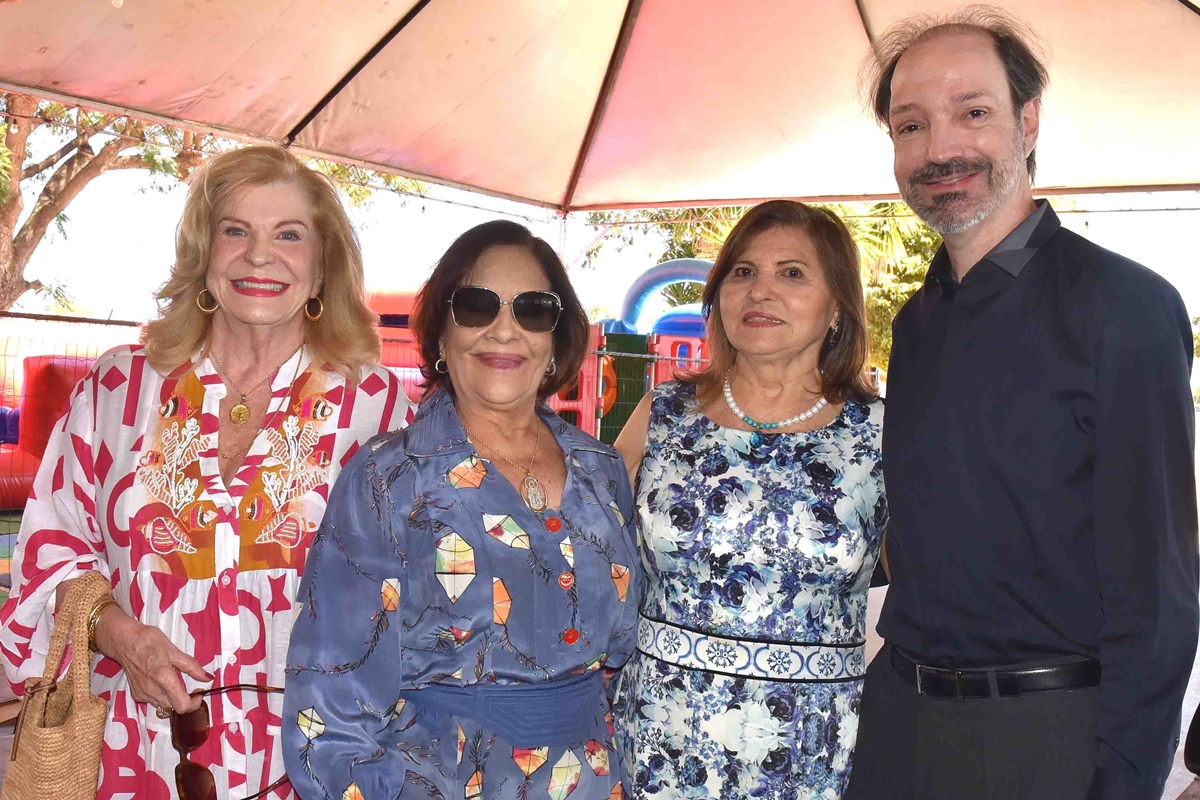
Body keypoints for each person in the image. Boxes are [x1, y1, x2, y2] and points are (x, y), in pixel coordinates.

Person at [844, 9, 1198, 800]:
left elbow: (1160, 589)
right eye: (911, 125)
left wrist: (1126, 781)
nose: (940, 149)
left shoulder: (1124, 308)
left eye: (973, 113)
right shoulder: (917, 320)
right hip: (898, 726)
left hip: (1047, 740)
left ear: (1028, 119)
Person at [0, 145, 413, 799]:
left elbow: (423, 597)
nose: (258, 255)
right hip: (131, 756)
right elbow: (49, 554)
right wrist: (121, 635)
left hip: (315, 767)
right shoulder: (116, 390)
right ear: (203, 254)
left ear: (322, 266)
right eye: (236, 231)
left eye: (288, 234)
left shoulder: (380, 409)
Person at [282, 220, 641, 800]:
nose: (505, 329)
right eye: (476, 307)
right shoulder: (389, 478)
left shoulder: (600, 471)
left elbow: (623, 660)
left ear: (556, 338)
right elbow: (332, 699)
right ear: (442, 337)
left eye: (533, 309)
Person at [612, 200, 887, 799]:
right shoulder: (660, 416)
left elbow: (932, 595)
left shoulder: (882, 435)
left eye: (792, 273)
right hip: (660, 738)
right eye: (742, 272)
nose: (760, 291)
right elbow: (591, 554)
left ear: (838, 305)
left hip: (815, 749)